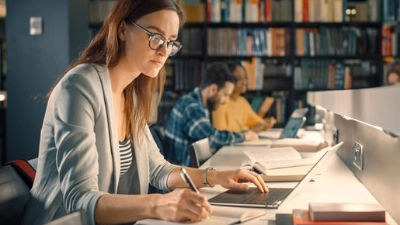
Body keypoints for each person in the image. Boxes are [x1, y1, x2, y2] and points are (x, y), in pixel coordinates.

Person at [21, 1, 268, 225]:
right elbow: (80, 200)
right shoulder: (79, 86)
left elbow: (157, 170)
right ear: (121, 29)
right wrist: (158, 204)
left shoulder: (133, 95)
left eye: (170, 42)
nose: (163, 51)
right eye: (155, 37)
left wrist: (216, 177)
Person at [164, 62, 259, 166]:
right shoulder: (191, 106)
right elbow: (211, 137)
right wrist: (244, 136)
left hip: (190, 170)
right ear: (213, 89)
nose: (226, 101)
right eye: (225, 95)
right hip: (182, 175)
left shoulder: (199, 104)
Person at [212, 61, 277, 132]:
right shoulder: (220, 102)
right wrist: (248, 130)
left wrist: (266, 123)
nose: (244, 82)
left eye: (245, 78)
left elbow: (258, 122)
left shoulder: (242, 102)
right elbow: (220, 133)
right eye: (239, 79)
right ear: (228, 80)